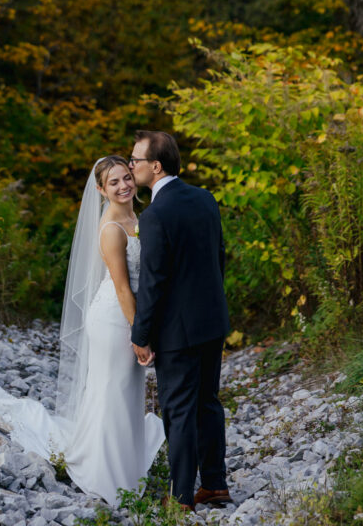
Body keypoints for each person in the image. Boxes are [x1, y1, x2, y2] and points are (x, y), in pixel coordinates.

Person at [0, 155, 164, 507]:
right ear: (100, 190)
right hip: (115, 318)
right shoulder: (112, 228)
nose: (124, 185)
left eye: (127, 177)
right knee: (112, 389)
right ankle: (105, 476)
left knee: (127, 390)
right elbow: (122, 289)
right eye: (113, 182)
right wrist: (139, 335)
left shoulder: (136, 218)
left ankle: (124, 468)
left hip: (129, 315)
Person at [129, 130, 233, 511]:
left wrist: (141, 334)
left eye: (135, 160)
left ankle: (181, 497)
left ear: (155, 166)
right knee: (207, 401)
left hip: (178, 330)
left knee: (178, 410)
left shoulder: (155, 215)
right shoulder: (205, 198)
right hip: (212, 319)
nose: (131, 166)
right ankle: (216, 485)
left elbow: (154, 283)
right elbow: (219, 257)